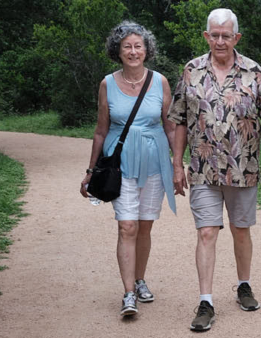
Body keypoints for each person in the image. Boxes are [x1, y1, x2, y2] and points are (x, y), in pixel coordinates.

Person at [168, 8, 261, 332]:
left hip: (243, 167)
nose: (220, 41)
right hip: (203, 169)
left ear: (236, 37)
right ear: (206, 36)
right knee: (207, 231)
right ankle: (205, 301)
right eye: (214, 35)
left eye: (226, 35)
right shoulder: (191, 71)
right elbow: (178, 119)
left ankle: (243, 284)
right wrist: (177, 164)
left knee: (240, 229)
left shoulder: (254, 72)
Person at [80, 21, 176, 316]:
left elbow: (171, 127)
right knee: (127, 224)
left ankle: (139, 278)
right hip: (120, 163)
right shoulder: (107, 84)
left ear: (146, 50)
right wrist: (90, 170)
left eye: (138, 46)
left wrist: (179, 163)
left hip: (155, 161)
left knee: (145, 225)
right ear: (118, 52)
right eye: (127, 47)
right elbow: (100, 131)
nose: (133, 51)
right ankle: (128, 293)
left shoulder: (160, 82)